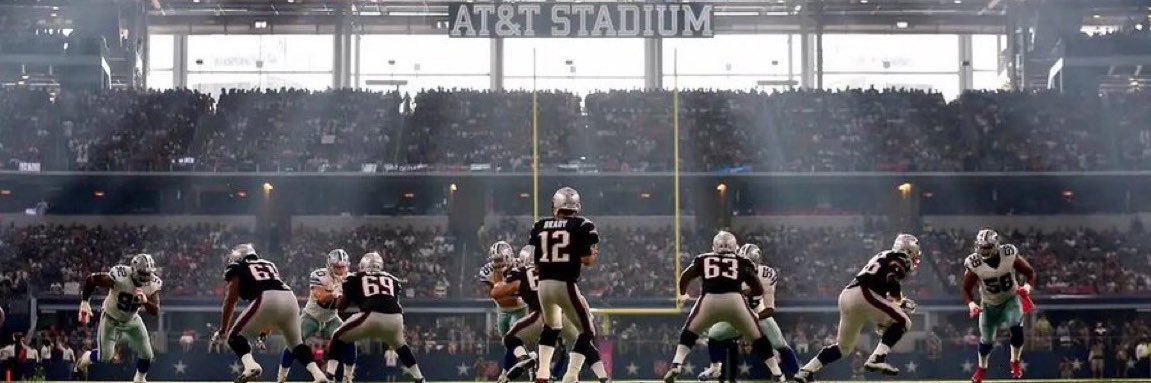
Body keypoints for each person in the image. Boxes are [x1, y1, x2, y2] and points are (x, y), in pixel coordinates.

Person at [793, 234, 921, 383]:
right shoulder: (900, 257)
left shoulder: (882, 255)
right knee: (904, 322)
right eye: (914, 253)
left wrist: (898, 303)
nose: (915, 257)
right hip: (864, 294)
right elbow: (892, 279)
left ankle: (806, 371)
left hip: (848, 296)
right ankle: (877, 358)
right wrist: (899, 300)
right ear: (909, 250)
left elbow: (880, 285)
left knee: (843, 348)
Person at [663, 231, 778, 383]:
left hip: (709, 300)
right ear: (735, 247)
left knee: (689, 331)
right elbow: (757, 287)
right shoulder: (742, 261)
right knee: (758, 337)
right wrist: (751, 295)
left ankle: (676, 364)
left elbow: (686, 276)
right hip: (735, 301)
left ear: (714, 247)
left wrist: (683, 294)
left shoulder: (704, 258)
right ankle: (776, 372)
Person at [212, 244, 329, 383]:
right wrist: (263, 333)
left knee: (234, 337)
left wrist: (223, 329)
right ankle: (318, 375)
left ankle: (250, 366)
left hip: (266, 297)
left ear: (238, 257)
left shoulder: (238, 267)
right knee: (296, 344)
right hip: (289, 298)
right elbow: (274, 312)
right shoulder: (269, 265)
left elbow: (231, 299)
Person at [529, 187, 607, 383]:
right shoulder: (582, 225)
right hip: (565, 284)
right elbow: (587, 260)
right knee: (587, 331)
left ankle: (542, 374)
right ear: (576, 206)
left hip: (543, 285)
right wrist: (588, 256)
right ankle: (571, 376)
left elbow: (535, 265)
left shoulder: (540, 225)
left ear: (556, 206)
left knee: (552, 326)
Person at [698, 243, 800, 382]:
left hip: (759, 313)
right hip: (738, 316)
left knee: (780, 345)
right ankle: (715, 367)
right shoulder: (730, 274)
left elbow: (770, 308)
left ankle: (799, 375)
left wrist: (755, 316)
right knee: (714, 335)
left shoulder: (766, 275)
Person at [324, 252, 425, 383]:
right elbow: (387, 298)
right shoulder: (393, 279)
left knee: (338, 336)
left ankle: (330, 377)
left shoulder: (354, 277)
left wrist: (336, 298)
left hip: (372, 316)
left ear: (363, 265)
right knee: (400, 346)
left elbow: (343, 305)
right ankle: (420, 378)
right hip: (396, 318)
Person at [496, 252, 587, 383]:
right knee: (575, 345)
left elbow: (501, 292)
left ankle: (525, 359)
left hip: (544, 315)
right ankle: (573, 376)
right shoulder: (555, 268)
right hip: (567, 315)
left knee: (511, 339)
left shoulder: (520, 272)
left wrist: (501, 281)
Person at [962, 229, 1036, 383]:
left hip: (1011, 299)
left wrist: (1027, 288)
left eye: (987, 247)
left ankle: (1014, 361)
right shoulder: (974, 262)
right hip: (989, 305)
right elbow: (966, 288)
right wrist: (971, 304)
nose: (984, 250)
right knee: (987, 341)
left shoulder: (1008, 253)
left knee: (1016, 328)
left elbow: (1029, 272)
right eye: (981, 247)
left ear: (996, 245)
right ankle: (982, 368)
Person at [74, 254, 162, 383]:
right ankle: (86, 358)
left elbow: (155, 311)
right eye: (142, 273)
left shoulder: (153, 283)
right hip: (111, 318)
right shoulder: (121, 275)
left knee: (147, 354)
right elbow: (92, 279)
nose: (145, 277)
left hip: (132, 319)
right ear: (133, 269)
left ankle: (140, 379)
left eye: (148, 273)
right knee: (105, 357)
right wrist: (85, 302)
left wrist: (145, 301)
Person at [280, 249, 354, 383]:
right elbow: (320, 298)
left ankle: (346, 377)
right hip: (311, 317)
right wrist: (334, 293)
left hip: (331, 318)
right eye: (337, 267)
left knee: (348, 338)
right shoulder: (319, 275)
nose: (340, 270)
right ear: (329, 266)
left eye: (342, 267)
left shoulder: (350, 279)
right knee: (293, 342)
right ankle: (282, 377)